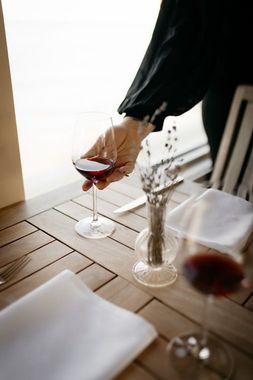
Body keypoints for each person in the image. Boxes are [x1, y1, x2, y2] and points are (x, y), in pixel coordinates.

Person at [82, 0, 253, 192]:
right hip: (228, 97)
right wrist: (134, 124)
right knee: (231, 192)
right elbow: (184, 31)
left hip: (235, 95)